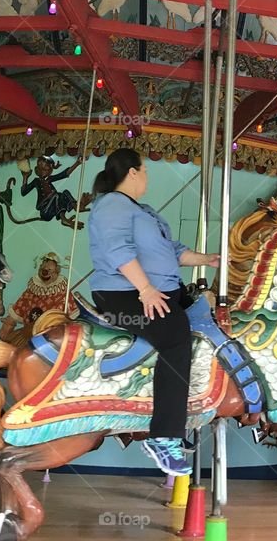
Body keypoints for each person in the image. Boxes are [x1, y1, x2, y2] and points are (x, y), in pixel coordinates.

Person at [87, 148, 220, 476]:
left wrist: (207, 259)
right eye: (145, 170)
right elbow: (117, 249)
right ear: (132, 172)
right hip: (123, 292)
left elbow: (173, 252)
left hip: (155, 290)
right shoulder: (112, 205)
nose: (147, 176)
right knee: (175, 334)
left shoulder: (143, 211)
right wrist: (145, 289)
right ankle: (162, 436)